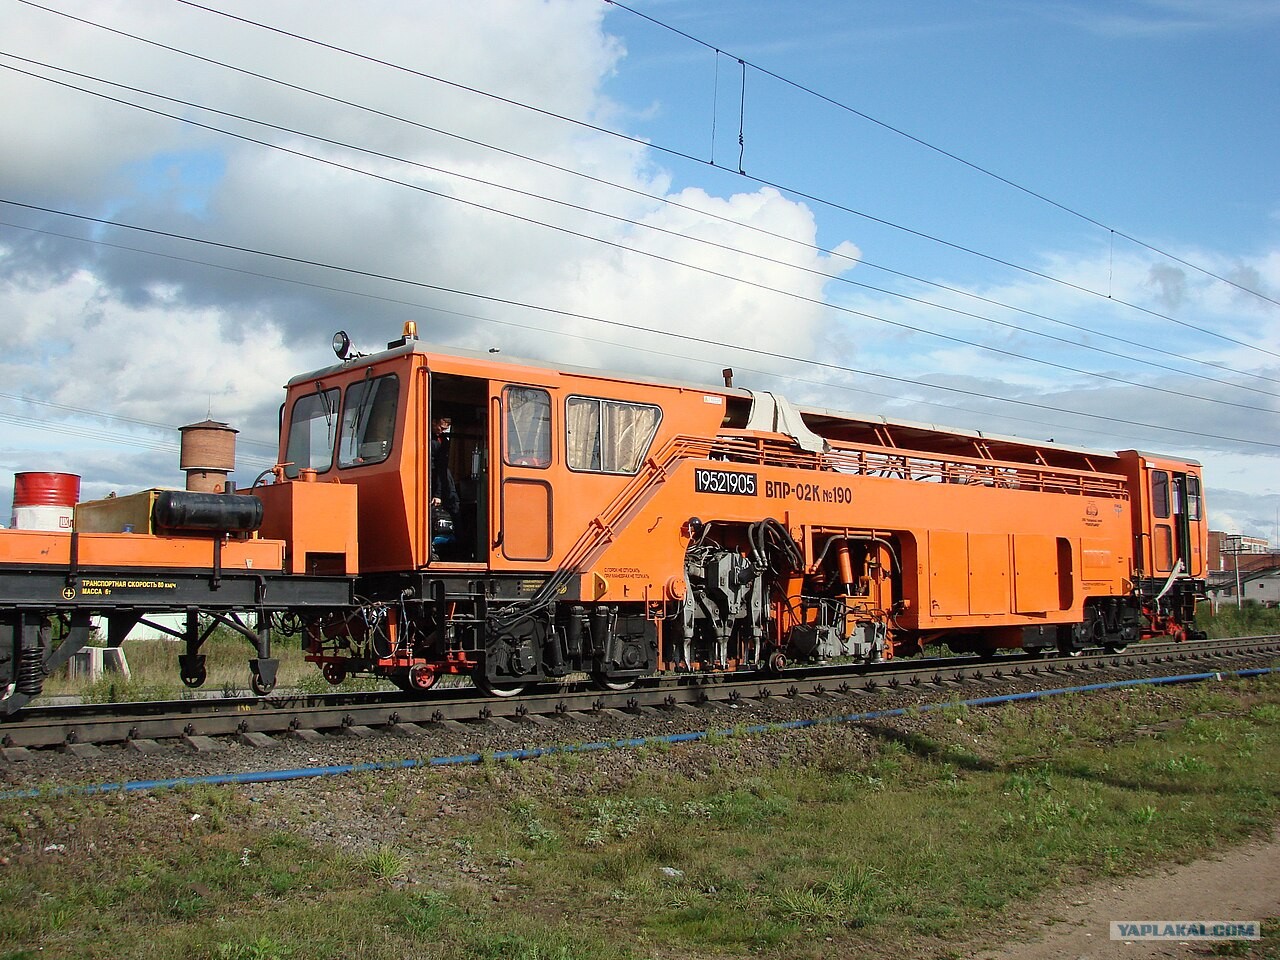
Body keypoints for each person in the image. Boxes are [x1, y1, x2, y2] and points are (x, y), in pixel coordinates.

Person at [430, 416, 459, 557]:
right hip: (434, 478)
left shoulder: (443, 441)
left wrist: (438, 493)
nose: (441, 431)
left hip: (441, 479)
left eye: (445, 429)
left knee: (454, 508)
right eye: (440, 428)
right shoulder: (431, 440)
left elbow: (442, 467)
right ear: (433, 422)